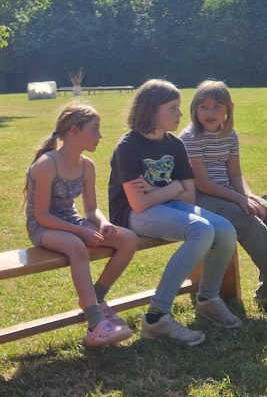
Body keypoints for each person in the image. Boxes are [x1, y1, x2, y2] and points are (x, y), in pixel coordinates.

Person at [109, 79, 241, 346]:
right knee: (201, 229)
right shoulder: (128, 146)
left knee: (225, 229)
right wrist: (174, 187)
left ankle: (208, 298)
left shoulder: (175, 144)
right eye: (173, 108)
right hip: (132, 216)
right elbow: (138, 203)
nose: (181, 114)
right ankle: (156, 318)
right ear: (150, 110)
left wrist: (159, 190)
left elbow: (189, 195)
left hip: (167, 206)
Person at [25, 103, 137, 346]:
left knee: (128, 239)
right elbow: (42, 216)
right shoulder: (47, 164)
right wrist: (81, 231)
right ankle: (95, 325)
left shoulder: (87, 165)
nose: (100, 135)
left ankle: (96, 298)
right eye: (94, 129)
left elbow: (91, 209)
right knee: (76, 246)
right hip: (43, 227)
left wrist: (103, 223)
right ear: (74, 131)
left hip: (72, 221)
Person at [180, 79, 267, 306]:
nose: (210, 113)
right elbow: (203, 183)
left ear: (229, 108)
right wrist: (239, 199)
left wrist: (249, 196)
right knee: (246, 219)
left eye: (216, 107)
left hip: (226, 193)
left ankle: (265, 290)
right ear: (194, 109)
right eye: (203, 107)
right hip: (199, 198)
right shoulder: (190, 137)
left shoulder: (230, 135)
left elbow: (235, 174)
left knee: (263, 208)